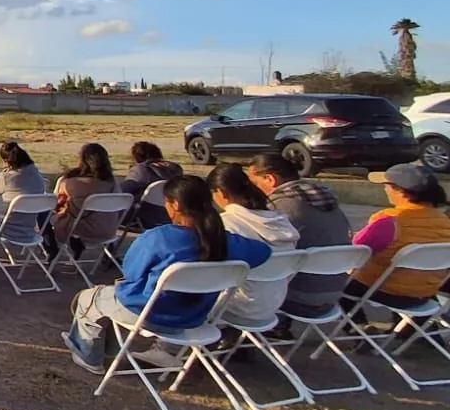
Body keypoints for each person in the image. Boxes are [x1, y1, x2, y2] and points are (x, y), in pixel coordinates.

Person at [61, 174, 273, 372]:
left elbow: (131, 272)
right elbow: (264, 252)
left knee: (89, 298)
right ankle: (110, 352)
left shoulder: (159, 238)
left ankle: (89, 356)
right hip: (194, 317)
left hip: (150, 313)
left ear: (176, 205)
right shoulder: (224, 241)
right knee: (106, 299)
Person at [246, 153, 354, 316]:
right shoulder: (329, 203)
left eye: (254, 183)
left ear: (270, 179)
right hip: (335, 294)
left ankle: (266, 326)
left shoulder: (279, 207)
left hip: (297, 297)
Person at [340, 164, 450, 317]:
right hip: (423, 295)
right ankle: (410, 329)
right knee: (406, 274)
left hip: (383, 291)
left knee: (338, 278)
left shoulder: (389, 220)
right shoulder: (445, 221)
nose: (385, 189)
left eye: (387, 185)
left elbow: (354, 253)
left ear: (401, 191)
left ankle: (356, 325)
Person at [207, 163, 299, 326]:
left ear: (220, 192)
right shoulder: (280, 222)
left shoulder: (227, 224)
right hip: (273, 304)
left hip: (236, 307)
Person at [51, 142, 117, 252]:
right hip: (109, 231)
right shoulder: (112, 183)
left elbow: (56, 203)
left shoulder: (70, 183)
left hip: (82, 230)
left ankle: (51, 249)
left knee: (48, 217)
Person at [0, 141, 48, 231]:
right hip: (27, 228)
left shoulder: (7, 177)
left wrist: (3, 173)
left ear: (7, 162)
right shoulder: (38, 177)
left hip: (3, 226)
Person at [120, 142, 184, 229]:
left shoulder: (140, 170)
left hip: (145, 216)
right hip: (171, 214)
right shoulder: (176, 169)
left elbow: (122, 191)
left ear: (136, 157)